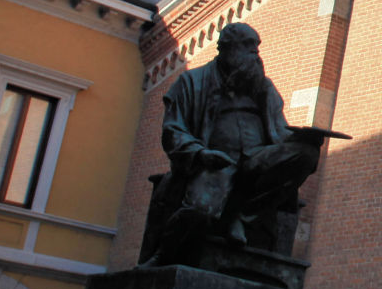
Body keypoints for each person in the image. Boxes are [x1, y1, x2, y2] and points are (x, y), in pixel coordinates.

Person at [139, 22, 327, 263]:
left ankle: (242, 216)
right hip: (216, 163)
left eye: (256, 47)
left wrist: (303, 139)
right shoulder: (191, 82)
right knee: (200, 211)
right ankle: (163, 257)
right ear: (226, 49)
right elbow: (173, 130)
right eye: (248, 46)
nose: (255, 54)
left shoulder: (263, 87)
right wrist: (200, 154)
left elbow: (279, 130)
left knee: (307, 154)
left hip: (257, 159)